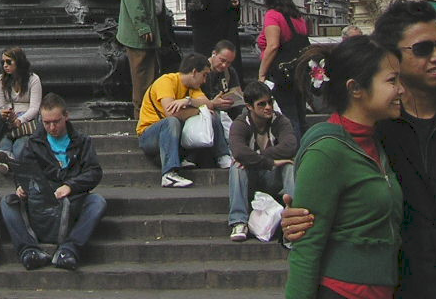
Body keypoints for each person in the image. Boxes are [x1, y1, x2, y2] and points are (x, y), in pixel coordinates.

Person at [283, 0, 436, 299]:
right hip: (404, 287)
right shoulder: (376, 131)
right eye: (423, 48)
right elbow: (334, 221)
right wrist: (295, 223)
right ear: (391, 57)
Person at [284, 36, 404, 299]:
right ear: (356, 88)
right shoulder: (326, 151)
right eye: (391, 81)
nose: (401, 90)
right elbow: (306, 248)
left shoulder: (379, 141)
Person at [0, 91, 105, 271]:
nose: (52, 127)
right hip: (41, 202)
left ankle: (69, 250)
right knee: (7, 202)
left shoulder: (83, 142)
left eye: (56, 122)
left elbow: (94, 172)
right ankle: (29, 251)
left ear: (66, 117)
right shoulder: (33, 143)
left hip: (71, 201)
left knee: (97, 202)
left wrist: (70, 186)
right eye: (46, 123)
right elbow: (23, 171)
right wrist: (20, 187)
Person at [227, 80, 297, 242]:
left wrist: (256, 155)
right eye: (261, 104)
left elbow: (290, 146)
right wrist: (270, 162)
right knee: (237, 166)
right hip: (250, 180)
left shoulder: (280, 120)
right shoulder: (240, 124)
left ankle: (295, 215)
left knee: (288, 165)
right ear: (249, 106)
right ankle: (239, 221)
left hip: (272, 179)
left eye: (270, 102)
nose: (268, 107)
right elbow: (238, 152)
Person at [136, 52, 211, 188]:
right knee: (172, 122)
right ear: (194, 72)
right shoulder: (166, 81)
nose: (204, 80)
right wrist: (198, 109)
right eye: (204, 75)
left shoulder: (192, 89)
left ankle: (221, 156)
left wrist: (188, 101)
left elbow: (208, 104)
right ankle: (169, 174)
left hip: (174, 137)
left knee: (210, 115)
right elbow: (171, 113)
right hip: (149, 135)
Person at [116, 0, 170, 112]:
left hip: (152, 29)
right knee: (142, 76)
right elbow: (133, 0)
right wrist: (142, 27)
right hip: (140, 34)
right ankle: (142, 115)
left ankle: (149, 112)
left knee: (150, 74)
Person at [256, 0, 309, 139]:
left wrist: (261, 74)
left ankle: (294, 153)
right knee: (300, 116)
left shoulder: (273, 16)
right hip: (299, 72)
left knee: (288, 117)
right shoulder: (298, 18)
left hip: (282, 74)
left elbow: (272, 46)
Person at [0, 46, 42, 161]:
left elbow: (35, 107)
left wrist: (21, 120)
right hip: (8, 120)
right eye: (3, 62)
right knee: (4, 141)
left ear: (18, 62)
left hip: (27, 121)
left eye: (9, 62)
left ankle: (14, 163)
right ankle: (4, 159)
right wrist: (10, 118)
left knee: (21, 144)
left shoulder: (33, 79)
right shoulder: (0, 80)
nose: (5, 65)